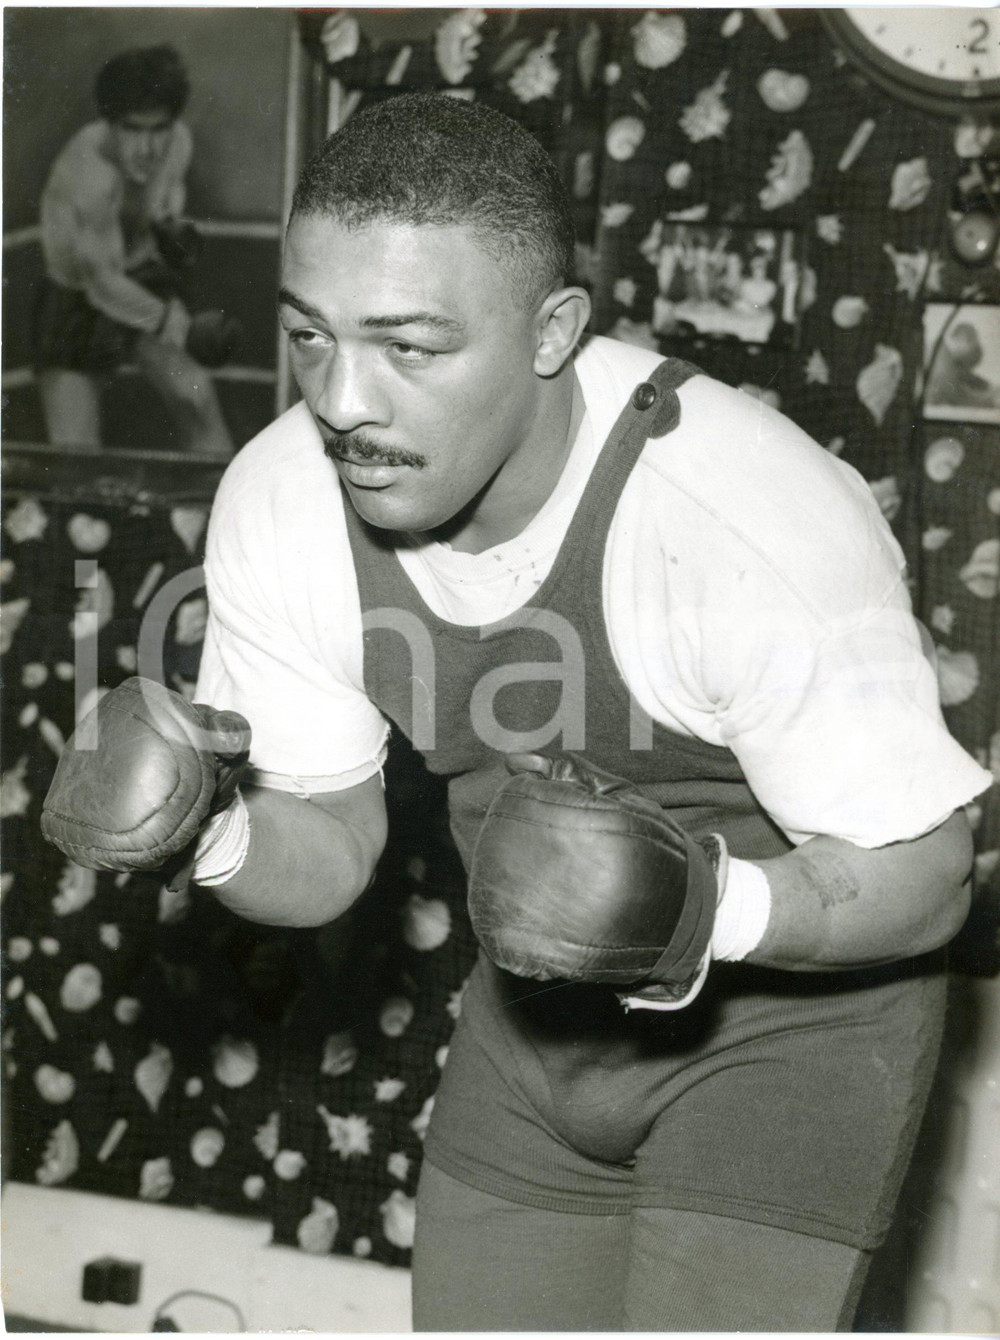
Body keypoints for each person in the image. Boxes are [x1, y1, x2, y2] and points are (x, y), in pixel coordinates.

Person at [42, 94, 992, 1331]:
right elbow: (329, 848)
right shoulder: (282, 500)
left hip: (792, 1041)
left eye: (408, 347)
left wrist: (710, 904)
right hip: (535, 1027)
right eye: (310, 336)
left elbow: (932, 872)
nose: (341, 400)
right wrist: (210, 830)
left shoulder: (736, 511)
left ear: (551, 331)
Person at [34, 44, 234, 456]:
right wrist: (175, 326)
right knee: (75, 459)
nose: (148, 147)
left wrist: (167, 230)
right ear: (109, 123)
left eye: (157, 128)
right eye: (132, 129)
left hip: (140, 277)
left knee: (197, 397)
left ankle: (228, 513)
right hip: (76, 300)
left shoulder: (179, 142)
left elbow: (161, 211)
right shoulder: (87, 176)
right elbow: (103, 286)